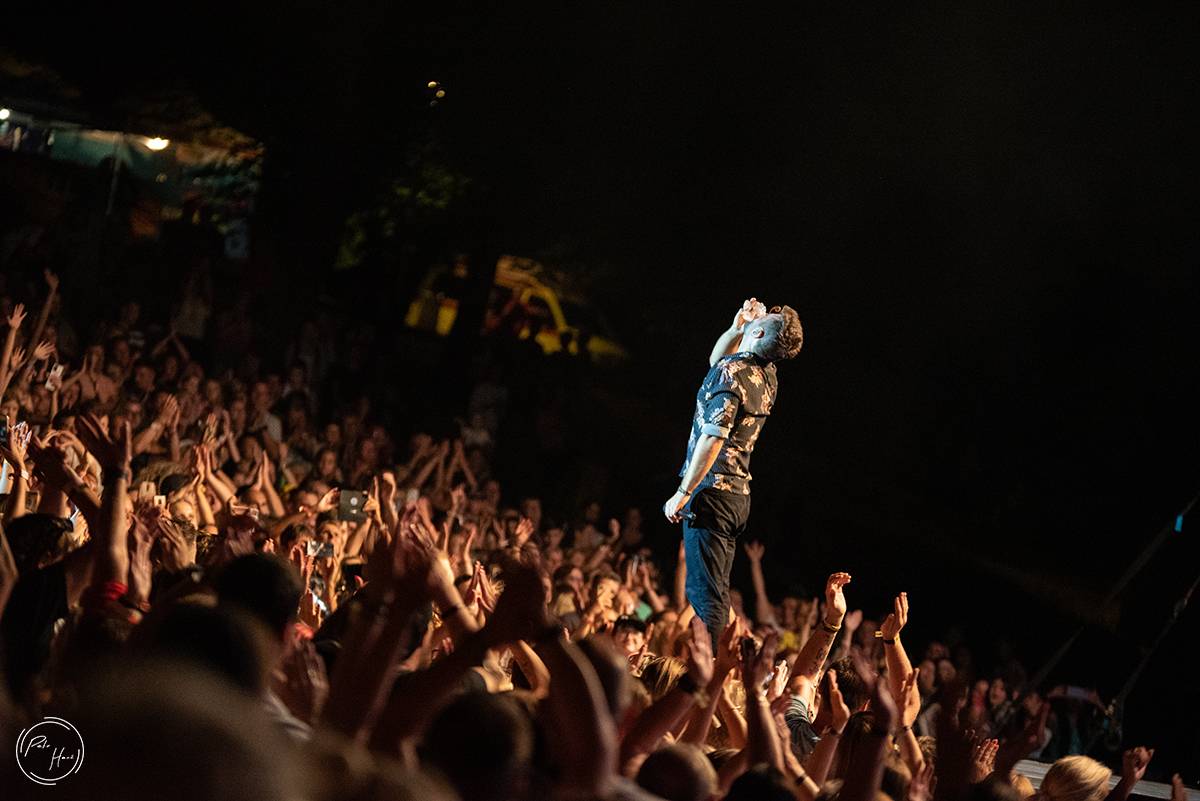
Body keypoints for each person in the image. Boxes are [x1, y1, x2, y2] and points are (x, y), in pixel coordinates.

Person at [663, 297, 804, 644]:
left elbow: (713, 438)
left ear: (758, 332)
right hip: (736, 497)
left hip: (711, 491)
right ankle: (723, 663)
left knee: (704, 596)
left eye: (767, 317)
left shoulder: (734, 373)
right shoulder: (767, 375)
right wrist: (739, 327)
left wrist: (683, 493)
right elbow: (719, 362)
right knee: (716, 591)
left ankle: (709, 677)